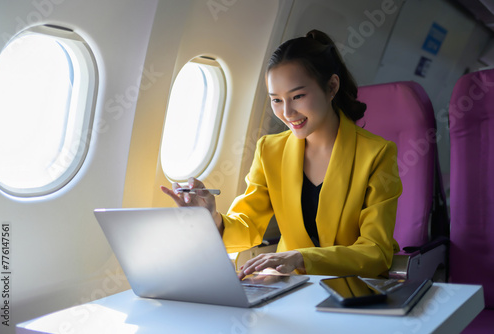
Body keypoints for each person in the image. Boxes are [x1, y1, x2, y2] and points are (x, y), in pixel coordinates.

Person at [161, 29, 402, 279]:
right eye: (276, 100)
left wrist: (300, 257)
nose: (287, 112)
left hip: (354, 288)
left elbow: (376, 252)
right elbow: (249, 223)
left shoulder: (376, 154)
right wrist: (210, 217)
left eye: (297, 96)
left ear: (331, 87)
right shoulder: (270, 150)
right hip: (291, 285)